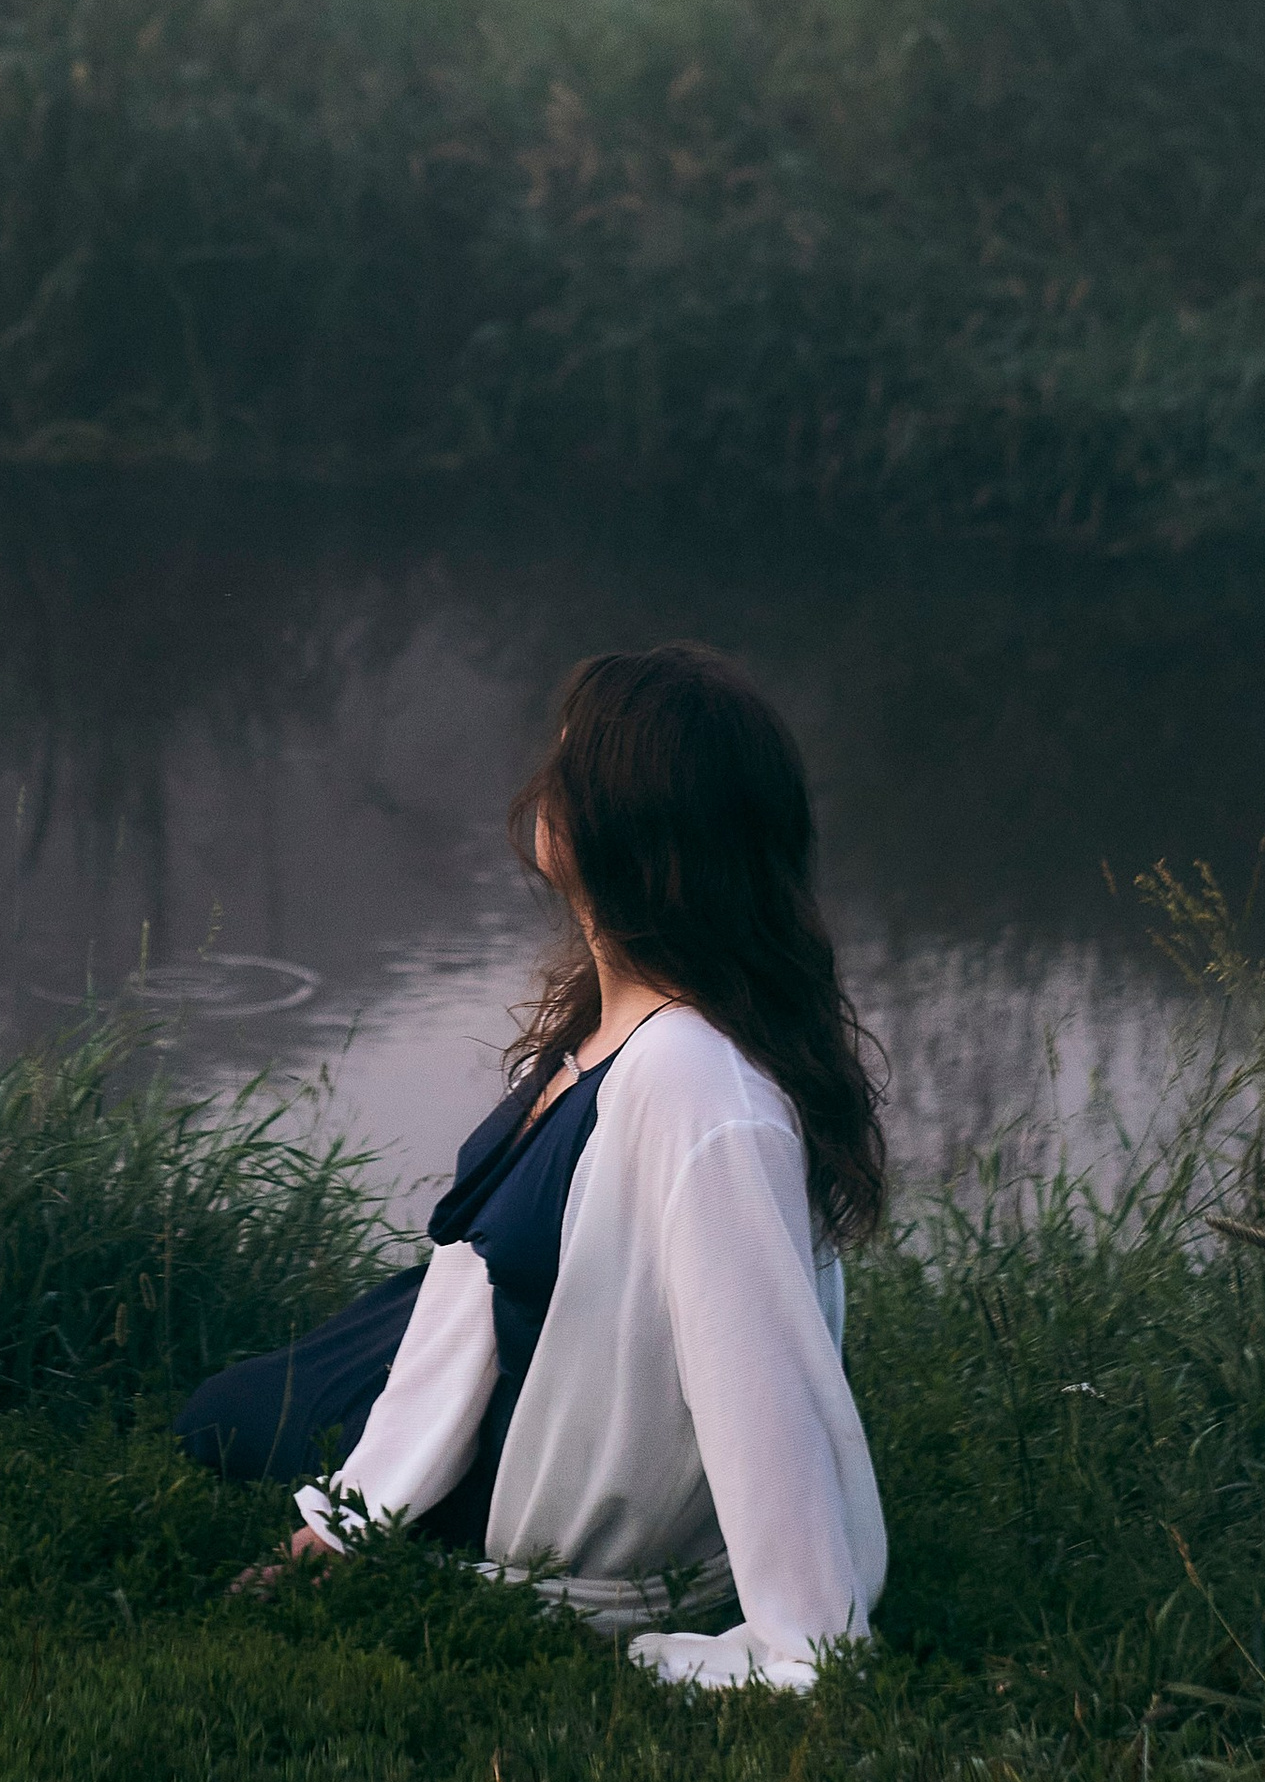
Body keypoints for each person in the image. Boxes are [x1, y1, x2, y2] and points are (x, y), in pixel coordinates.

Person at [175, 643, 889, 1689]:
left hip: (544, 1458)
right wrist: (346, 1518)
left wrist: (807, 1631)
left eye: (567, 765)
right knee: (250, 1399)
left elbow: (760, 1374)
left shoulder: (697, 1085)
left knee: (223, 1421)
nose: (541, 787)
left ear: (622, 823)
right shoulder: (617, 1021)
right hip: (499, 1333)